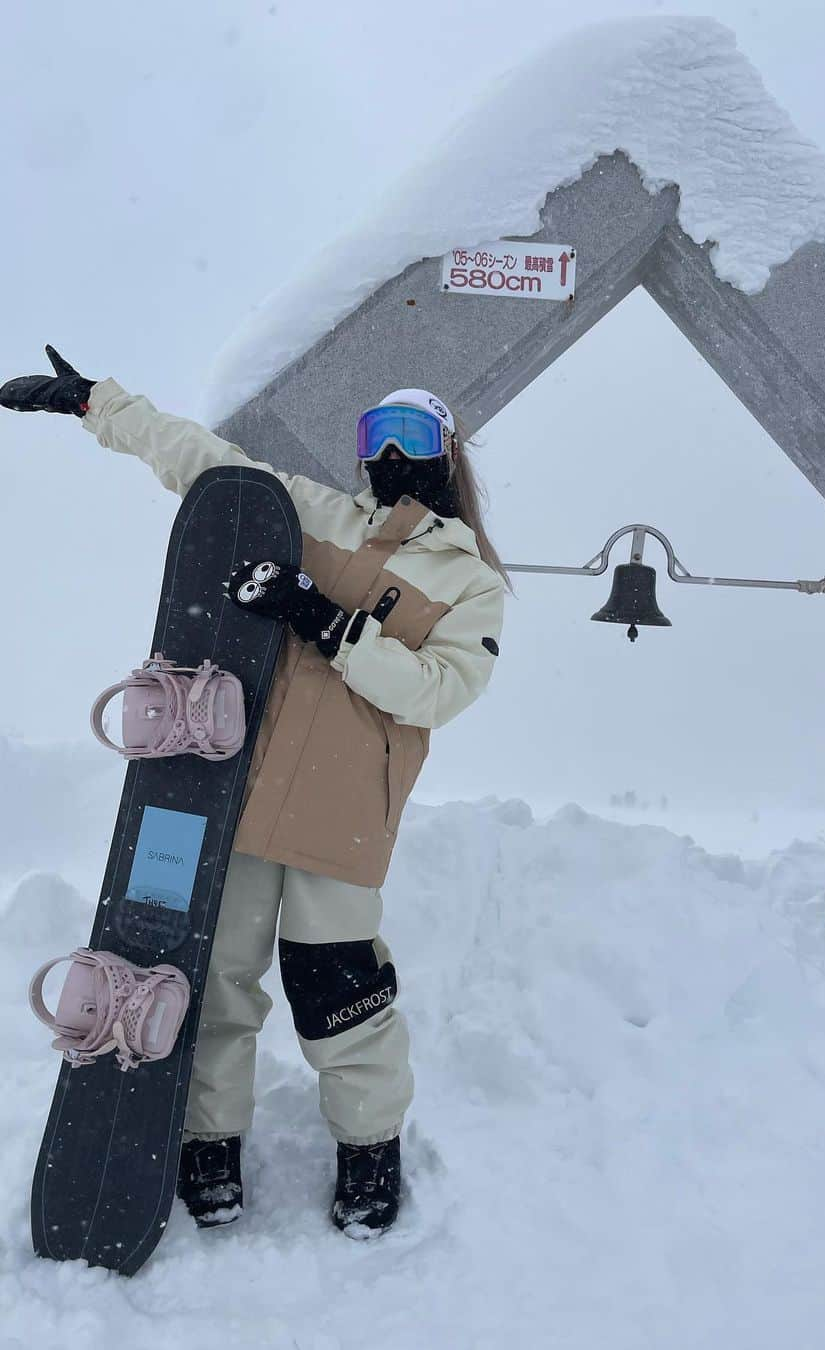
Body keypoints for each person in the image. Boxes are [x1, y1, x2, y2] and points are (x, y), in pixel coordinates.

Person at [1, 347, 508, 1238]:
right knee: (218, 983)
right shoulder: (307, 513)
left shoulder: (470, 582)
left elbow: (439, 691)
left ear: (448, 451)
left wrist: (324, 618)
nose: (392, 456)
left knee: (340, 993)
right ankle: (208, 1141)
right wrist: (95, 402)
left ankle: (368, 1147)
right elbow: (197, 459)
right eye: (376, 436)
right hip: (236, 798)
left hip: (344, 817)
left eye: (413, 436)